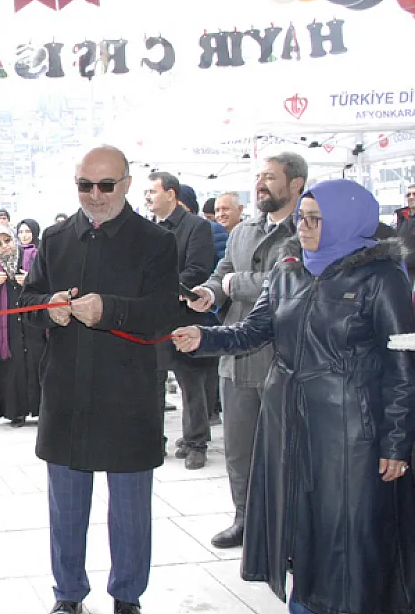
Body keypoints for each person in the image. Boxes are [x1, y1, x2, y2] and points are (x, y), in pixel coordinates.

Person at [173, 179, 415, 614]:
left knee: (345, 534)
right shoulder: (289, 271)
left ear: (345, 220)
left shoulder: (381, 278)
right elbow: (254, 330)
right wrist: (202, 338)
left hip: (351, 431)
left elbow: (403, 367)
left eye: (315, 219)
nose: (303, 227)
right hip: (287, 421)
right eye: (302, 218)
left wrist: (396, 443)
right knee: (297, 527)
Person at [20, 146, 178, 614]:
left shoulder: (155, 242)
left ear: (127, 184)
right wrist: (46, 307)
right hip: (66, 391)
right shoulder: (54, 238)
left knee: (129, 508)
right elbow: (28, 301)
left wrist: (110, 310)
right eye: (84, 185)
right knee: (65, 507)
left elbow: (164, 312)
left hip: (127, 392)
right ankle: (68, 594)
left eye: (105, 185)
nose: (94, 195)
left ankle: (127, 595)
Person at [187, 152, 305, 550]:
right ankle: (244, 517)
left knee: (283, 450)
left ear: (296, 184)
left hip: (281, 357)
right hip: (235, 358)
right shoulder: (243, 230)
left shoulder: (306, 229)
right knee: (238, 448)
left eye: (271, 177)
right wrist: (209, 291)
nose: (261, 184)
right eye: (259, 176)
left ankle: (286, 526)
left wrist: (236, 284)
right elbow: (224, 272)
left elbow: (288, 281)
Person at [145, 173, 215, 469]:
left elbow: (198, 270)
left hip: (187, 317)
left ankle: (196, 442)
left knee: (192, 383)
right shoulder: (148, 230)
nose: (147, 197)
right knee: (153, 383)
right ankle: (153, 441)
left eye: (152, 191)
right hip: (156, 320)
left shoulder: (197, 227)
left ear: (171, 194)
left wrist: (165, 291)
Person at [0, 225, 45, 427]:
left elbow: (46, 283)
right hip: (8, 326)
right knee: (13, 366)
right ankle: (17, 412)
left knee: (37, 361)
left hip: (32, 321)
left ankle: (40, 409)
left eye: (8, 241)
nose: (5, 247)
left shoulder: (31, 257)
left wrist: (29, 280)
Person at [393, 183, 415, 275]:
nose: (411, 197)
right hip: (403, 268)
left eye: (414, 194)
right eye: (408, 195)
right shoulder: (400, 216)